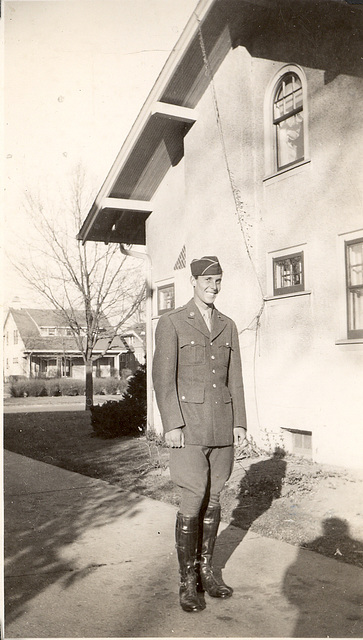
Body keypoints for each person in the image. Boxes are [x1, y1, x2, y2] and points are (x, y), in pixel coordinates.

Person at [152, 255, 247, 612]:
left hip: (222, 426)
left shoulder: (228, 324)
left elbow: (234, 378)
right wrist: (172, 424)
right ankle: (187, 582)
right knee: (193, 499)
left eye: (218, 280)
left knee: (216, 498)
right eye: (207, 280)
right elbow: (163, 380)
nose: (213, 286)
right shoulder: (173, 322)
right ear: (193, 282)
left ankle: (207, 572)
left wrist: (240, 422)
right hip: (188, 428)